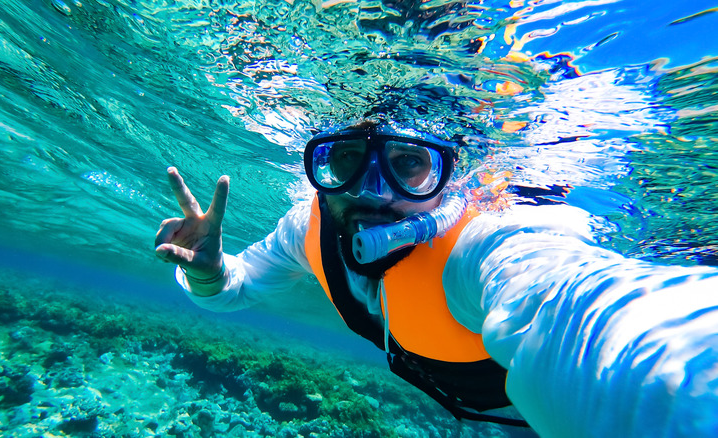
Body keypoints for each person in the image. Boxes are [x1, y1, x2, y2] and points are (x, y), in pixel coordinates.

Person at [154, 120, 718, 437]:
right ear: (319, 169)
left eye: (408, 164)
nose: (371, 189)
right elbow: (241, 285)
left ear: (448, 177)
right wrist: (211, 273)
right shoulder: (307, 225)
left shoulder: (481, 247)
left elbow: (574, 306)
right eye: (344, 160)